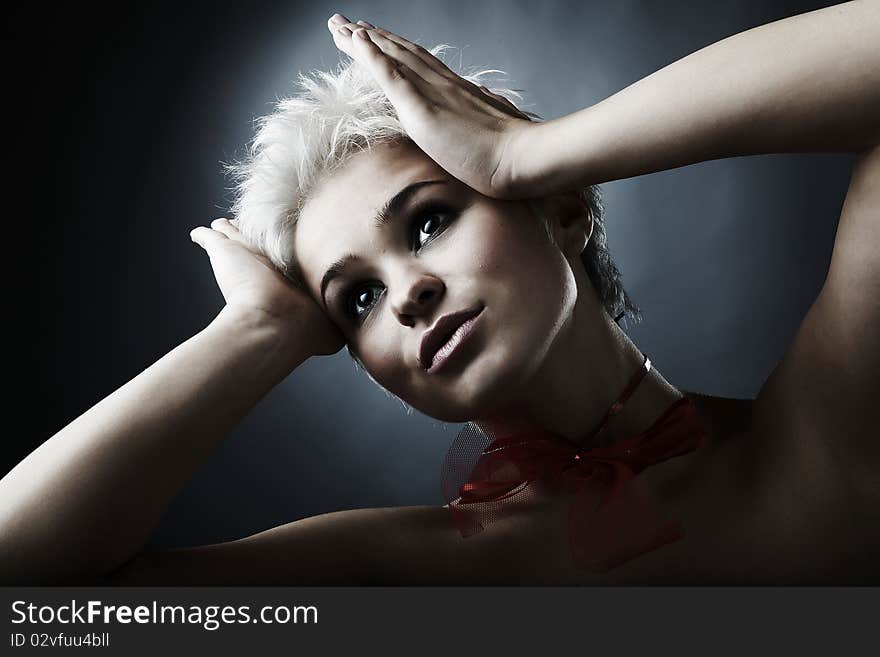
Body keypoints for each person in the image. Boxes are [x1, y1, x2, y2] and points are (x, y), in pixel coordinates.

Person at [2, 2, 877, 585]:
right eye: (356, 301)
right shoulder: (398, 573)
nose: (409, 294)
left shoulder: (824, 432)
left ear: (566, 211)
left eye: (426, 224)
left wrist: (526, 154)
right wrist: (256, 331)